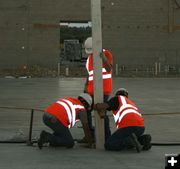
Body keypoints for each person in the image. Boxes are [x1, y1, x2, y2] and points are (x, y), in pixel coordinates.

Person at [94, 88, 152, 152]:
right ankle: (143, 139)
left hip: (128, 127)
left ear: (117, 94)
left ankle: (130, 142)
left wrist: (95, 106)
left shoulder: (117, 99)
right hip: (140, 127)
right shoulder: (130, 103)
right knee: (126, 137)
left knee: (109, 144)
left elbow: (103, 106)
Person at [79, 37, 113, 142]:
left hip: (104, 90)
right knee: (85, 111)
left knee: (102, 112)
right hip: (90, 91)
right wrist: (85, 87)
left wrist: (103, 58)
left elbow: (109, 69)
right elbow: (89, 75)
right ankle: (90, 135)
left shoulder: (106, 54)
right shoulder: (89, 58)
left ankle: (107, 137)